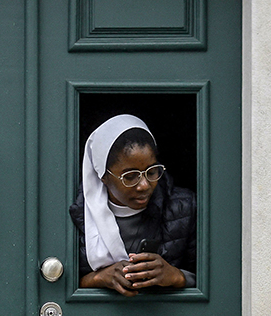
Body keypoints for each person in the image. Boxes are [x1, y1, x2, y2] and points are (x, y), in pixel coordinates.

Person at [71, 115, 196, 294]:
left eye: (152, 172)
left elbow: (214, 279)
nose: (144, 185)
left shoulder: (183, 208)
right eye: (130, 176)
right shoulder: (78, 214)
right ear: (103, 177)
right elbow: (57, 284)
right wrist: (97, 279)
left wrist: (176, 276)